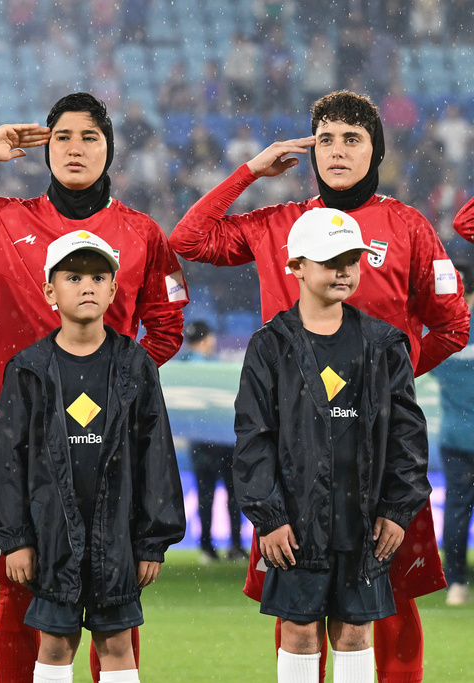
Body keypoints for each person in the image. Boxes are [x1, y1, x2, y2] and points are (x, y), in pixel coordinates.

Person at [170, 90, 466, 683]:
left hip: (377, 451)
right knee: (296, 611)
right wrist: (249, 171)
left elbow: (453, 324)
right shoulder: (279, 223)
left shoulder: (408, 226)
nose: (337, 150)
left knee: (394, 605)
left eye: (352, 139)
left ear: (375, 150)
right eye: (325, 138)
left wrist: (388, 389)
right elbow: (189, 241)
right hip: (294, 452)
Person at [0, 92, 188, 683]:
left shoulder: (140, 232)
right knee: (19, 596)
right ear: (44, 147)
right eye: (62, 137)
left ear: (109, 149)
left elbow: (168, 324)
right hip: (23, 440)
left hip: (110, 446)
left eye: (89, 138)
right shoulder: (4, 218)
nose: (75, 149)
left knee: (116, 606)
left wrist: (118, 385)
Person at [0, 231, 185, 683]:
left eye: (98, 276)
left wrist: (152, 541)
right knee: (53, 644)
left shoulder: (135, 365)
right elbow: (4, 461)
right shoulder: (27, 367)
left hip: (120, 538)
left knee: (116, 644)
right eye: (73, 276)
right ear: (50, 291)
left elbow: (156, 456)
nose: (86, 286)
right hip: (51, 537)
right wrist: (14, 539)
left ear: (113, 289)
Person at [233, 208, 431, 683]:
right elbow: (253, 436)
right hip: (295, 521)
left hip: (365, 518)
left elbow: (408, 435)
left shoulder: (385, 343)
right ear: (296, 266)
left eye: (351, 259)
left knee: (357, 633)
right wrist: (270, 516)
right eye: (329, 260)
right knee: (299, 633)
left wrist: (397, 510)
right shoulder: (270, 345)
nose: (343, 270)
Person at [181, 320, 246, 564]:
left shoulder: (182, 367)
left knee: (205, 494)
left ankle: (207, 547)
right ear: (207, 339)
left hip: (198, 441)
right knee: (233, 494)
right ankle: (236, 546)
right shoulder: (215, 367)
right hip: (223, 440)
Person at [429, 260, 474, 606]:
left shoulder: (446, 331)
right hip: (459, 434)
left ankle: (456, 582)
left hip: (456, 436)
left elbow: (426, 365)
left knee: (457, 508)